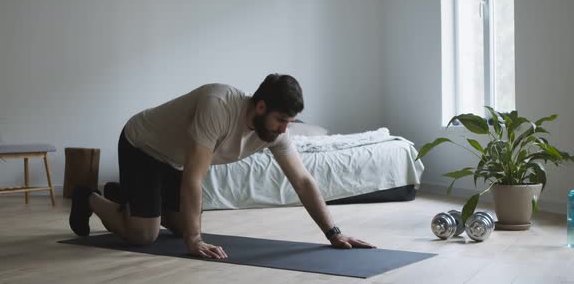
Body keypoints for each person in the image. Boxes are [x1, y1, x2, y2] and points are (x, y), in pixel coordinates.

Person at [69, 74, 376, 259]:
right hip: (143, 145)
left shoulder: (274, 133)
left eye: (290, 122)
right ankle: (89, 198)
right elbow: (194, 175)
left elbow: (303, 181)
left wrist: (333, 233)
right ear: (260, 106)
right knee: (144, 236)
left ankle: (127, 197)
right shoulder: (219, 105)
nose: (285, 129)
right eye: (281, 120)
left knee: (178, 226)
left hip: (174, 159)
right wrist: (195, 240)